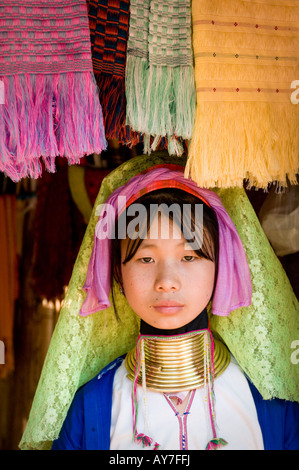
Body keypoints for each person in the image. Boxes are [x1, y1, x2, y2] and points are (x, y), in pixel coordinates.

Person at [51, 163, 299, 450]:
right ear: (117, 272)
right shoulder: (90, 408)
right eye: (146, 259)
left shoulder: (271, 403)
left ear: (221, 268)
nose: (166, 282)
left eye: (190, 257)